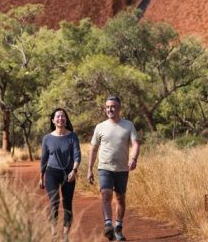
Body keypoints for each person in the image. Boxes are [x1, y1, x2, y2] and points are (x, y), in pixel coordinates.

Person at [87, 95, 140, 241]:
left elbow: (135, 143)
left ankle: (118, 227)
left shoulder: (128, 125)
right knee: (106, 193)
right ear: (105, 109)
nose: (110, 109)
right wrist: (90, 169)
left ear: (119, 108)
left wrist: (134, 159)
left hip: (122, 169)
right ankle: (108, 224)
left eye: (113, 106)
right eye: (108, 107)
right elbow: (93, 149)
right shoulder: (100, 127)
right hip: (104, 167)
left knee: (120, 198)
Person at [40, 108, 81, 242]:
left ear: (66, 119)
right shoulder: (47, 138)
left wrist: (74, 170)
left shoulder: (72, 136)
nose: (60, 119)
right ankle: (53, 234)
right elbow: (44, 159)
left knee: (67, 204)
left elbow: (77, 155)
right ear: (53, 120)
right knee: (54, 202)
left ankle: (65, 236)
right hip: (52, 173)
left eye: (63, 116)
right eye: (57, 117)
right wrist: (41, 177)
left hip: (69, 173)